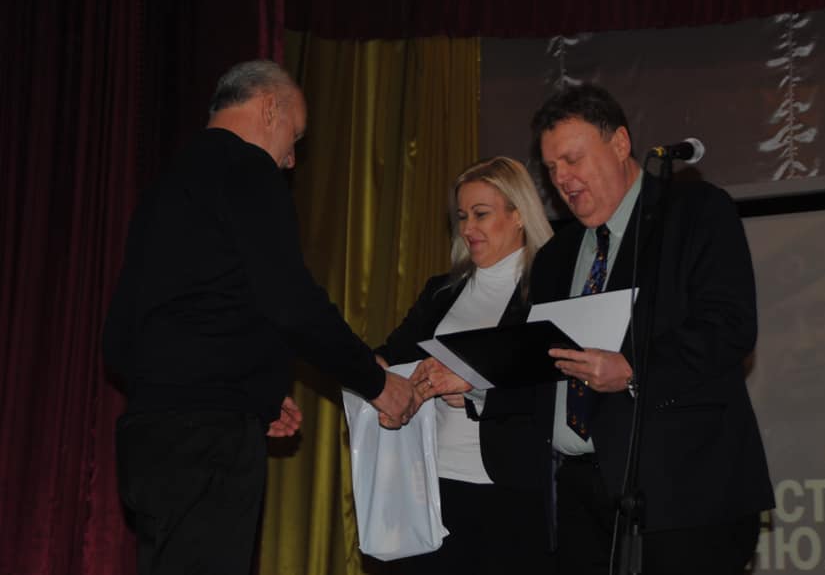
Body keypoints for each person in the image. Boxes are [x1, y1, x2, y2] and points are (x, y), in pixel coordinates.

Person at [426, 84, 774, 574]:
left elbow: (729, 328)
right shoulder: (556, 256)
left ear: (620, 143)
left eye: (573, 159)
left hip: (686, 496)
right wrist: (477, 386)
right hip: (581, 501)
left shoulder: (694, 212)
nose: (561, 179)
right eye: (552, 168)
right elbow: (539, 366)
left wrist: (632, 370)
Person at [102, 59, 416, 575]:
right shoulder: (247, 168)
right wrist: (375, 382)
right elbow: (291, 303)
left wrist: (250, 393)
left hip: (147, 437)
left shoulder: (165, 187)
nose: (291, 160)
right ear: (270, 108)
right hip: (209, 442)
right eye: (295, 136)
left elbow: (118, 338)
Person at [375, 156, 555, 574]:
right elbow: (393, 355)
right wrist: (362, 369)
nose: (468, 227)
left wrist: (473, 389)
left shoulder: (549, 291)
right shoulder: (441, 291)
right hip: (432, 487)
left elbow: (551, 389)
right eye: (461, 216)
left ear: (518, 215)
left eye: (481, 214)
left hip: (510, 492)